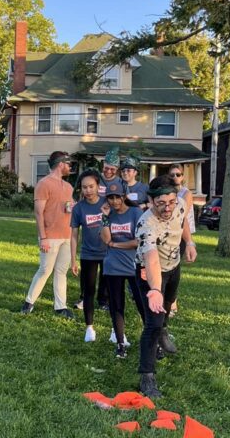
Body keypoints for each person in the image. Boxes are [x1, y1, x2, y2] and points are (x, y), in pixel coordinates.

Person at [133, 176, 197, 399]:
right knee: (152, 324)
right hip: (150, 274)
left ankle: (163, 329)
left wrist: (189, 243)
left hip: (174, 267)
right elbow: (150, 258)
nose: (167, 207)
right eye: (161, 203)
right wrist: (155, 290)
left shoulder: (178, 204)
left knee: (167, 308)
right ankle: (147, 377)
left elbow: (183, 219)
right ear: (150, 201)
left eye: (171, 201)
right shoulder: (145, 224)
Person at [21, 151, 74, 318]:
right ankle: (28, 303)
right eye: (68, 164)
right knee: (45, 270)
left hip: (66, 236)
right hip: (49, 236)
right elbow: (38, 212)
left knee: (61, 272)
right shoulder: (44, 184)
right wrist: (43, 237)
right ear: (60, 164)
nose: (70, 167)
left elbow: (70, 209)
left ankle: (61, 307)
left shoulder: (68, 186)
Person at [100, 179, 144, 359]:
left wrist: (116, 245)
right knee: (117, 307)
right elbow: (105, 239)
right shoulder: (108, 214)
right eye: (110, 198)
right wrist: (104, 218)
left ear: (124, 196)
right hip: (112, 267)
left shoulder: (136, 212)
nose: (114, 201)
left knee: (143, 306)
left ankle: (153, 343)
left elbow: (138, 241)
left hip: (133, 266)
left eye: (117, 197)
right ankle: (120, 344)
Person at [70, 168, 107, 342]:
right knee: (88, 291)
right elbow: (74, 235)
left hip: (109, 254)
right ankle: (89, 328)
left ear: (98, 186)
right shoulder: (79, 208)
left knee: (112, 291)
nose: (88, 190)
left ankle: (116, 330)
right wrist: (73, 259)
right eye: (84, 187)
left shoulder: (108, 203)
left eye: (91, 186)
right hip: (88, 255)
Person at [167, 163, 196, 315]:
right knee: (168, 266)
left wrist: (190, 242)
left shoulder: (186, 193)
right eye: (172, 175)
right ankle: (170, 302)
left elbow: (181, 213)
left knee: (174, 267)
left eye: (178, 174)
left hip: (182, 234)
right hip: (169, 233)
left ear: (183, 176)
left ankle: (172, 304)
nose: (175, 177)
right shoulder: (168, 192)